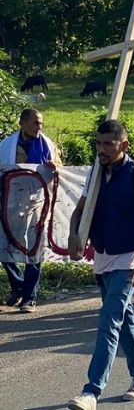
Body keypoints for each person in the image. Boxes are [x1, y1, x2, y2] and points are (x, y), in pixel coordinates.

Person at [66, 120, 134, 410]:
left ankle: (92, 390)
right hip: (103, 256)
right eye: (98, 143)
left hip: (129, 258)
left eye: (108, 144)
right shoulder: (95, 172)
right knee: (123, 318)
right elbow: (80, 210)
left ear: (124, 146)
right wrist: (74, 234)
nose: (101, 149)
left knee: (109, 320)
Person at [0, 108, 58, 312]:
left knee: (35, 249)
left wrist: (54, 166)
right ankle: (18, 286)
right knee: (4, 246)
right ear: (22, 123)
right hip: (11, 204)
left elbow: (60, 169)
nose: (39, 127)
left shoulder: (48, 145)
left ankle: (29, 296)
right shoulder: (6, 145)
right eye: (35, 123)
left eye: (41, 123)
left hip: (37, 205)